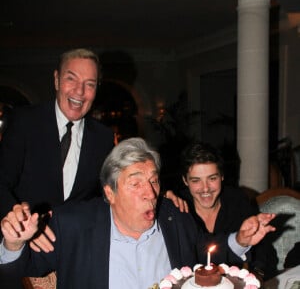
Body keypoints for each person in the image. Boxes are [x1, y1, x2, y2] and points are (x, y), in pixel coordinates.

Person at [0, 138, 276, 288]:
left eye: (154, 180)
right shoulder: (73, 224)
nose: (150, 192)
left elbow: (203, 249)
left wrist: (240, 240)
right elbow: (17, 272)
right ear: (109, 192)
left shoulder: (173, 215)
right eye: (135, 183)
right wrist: (13, 243)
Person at [0, 48, 114, 287]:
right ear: (56, 79)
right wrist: (22, 225)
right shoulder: (23, 121)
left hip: (77, 255)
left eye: (90, 84)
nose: (79, 92)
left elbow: (107, 194)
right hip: (23, 253)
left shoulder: (103, 137)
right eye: (71, 78)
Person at [178, 141, 279, 280]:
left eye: (212, 178)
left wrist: (258, 274)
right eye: (196, 181)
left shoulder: (236, 200)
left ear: (222, 176)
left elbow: (263, 250)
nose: (205, 188)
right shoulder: (177, 208)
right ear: (185, 180)